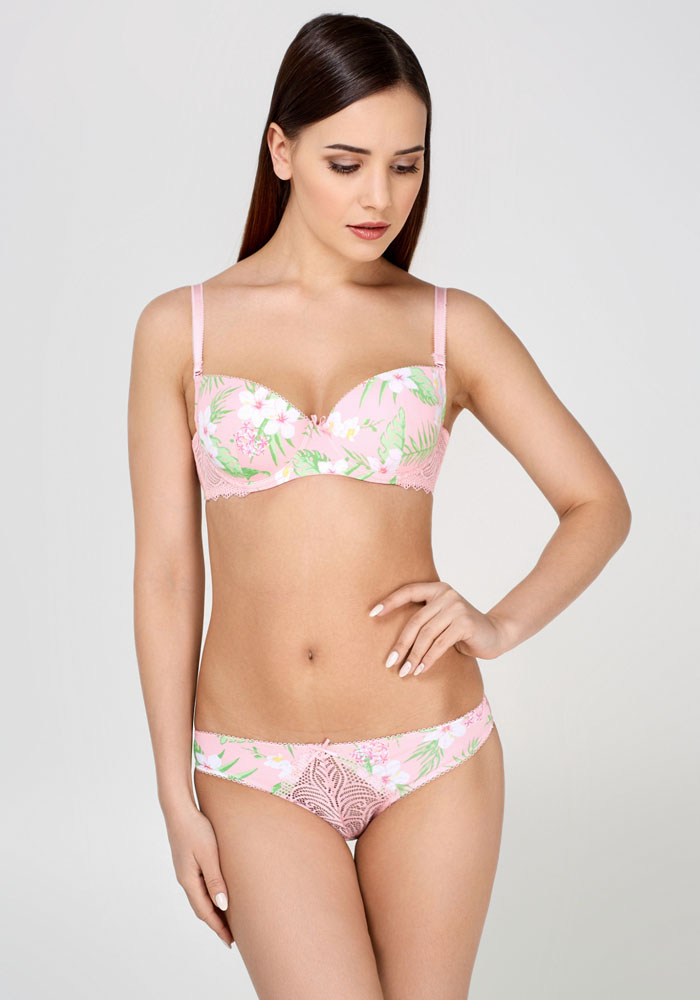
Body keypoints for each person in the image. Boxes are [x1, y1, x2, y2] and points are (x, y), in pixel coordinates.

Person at [127, 12, 631, 999]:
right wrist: (173, 796)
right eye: (347, 162)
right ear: (281, 150)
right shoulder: (178, 331)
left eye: (406, 165)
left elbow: (596, 502)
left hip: (431, 752)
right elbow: (166, 575)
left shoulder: (451, 326)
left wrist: (498, 623)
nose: (380, 197)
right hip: (253, 765)